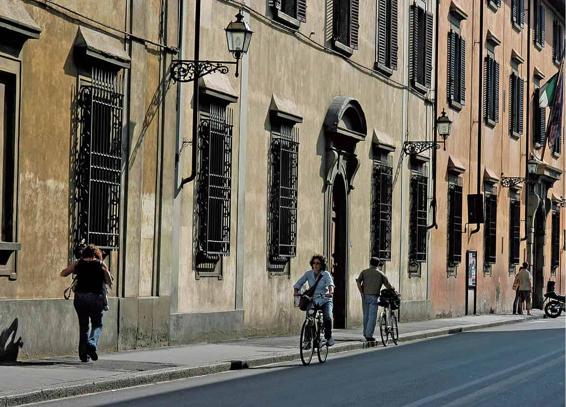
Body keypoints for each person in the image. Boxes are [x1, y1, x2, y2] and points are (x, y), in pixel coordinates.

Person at [61, 244, 112, 362]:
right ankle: (92, 344)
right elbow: (109, 281)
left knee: (83, 326)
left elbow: (63, 273)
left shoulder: (78, 263)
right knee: (97, 324)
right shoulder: (100, 263)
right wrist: (105, 271)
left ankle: (84, 355)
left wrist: (75, 267)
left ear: (84, 253)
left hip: (80, 298)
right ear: (97, 254)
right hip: (96, 298)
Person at [293, 254, 335, 346]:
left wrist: (330, 292)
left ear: (322, 265)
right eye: (314, 263)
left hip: (325, 299)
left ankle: (329, 337)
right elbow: (298, 284)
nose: (315, 265)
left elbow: (330, 285)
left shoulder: (326, 274)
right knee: (310, 318)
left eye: (318, 263)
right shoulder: (308, 274)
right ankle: (307, 341)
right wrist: (296, 292)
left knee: (327, 317)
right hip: (313, 299)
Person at [356, 257, 394, 341]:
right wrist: (393, 289)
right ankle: (369, 335)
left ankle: (365, 333)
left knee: (366, 315)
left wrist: (361, 292)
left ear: (370, 263)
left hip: (365, 296)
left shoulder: (364, 272)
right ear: (378, 264)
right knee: (372, 317)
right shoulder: (380, 274)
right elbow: (388, 285)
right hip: (374, 296)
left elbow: (358, 281)